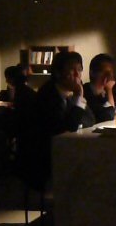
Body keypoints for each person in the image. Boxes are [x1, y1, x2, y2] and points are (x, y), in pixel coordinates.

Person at [34, 51, 95, 185]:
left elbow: (91, 120)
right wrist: (79, 98)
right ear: (58, 73)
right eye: (72, 70)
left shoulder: (69, 93)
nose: (77, 74)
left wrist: (77, 100)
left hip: (65, 148)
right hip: (45, 156)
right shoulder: (48, 93)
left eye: (79, 69)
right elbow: (68, 127)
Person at [83, 53, 116, 123]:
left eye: (110, 72)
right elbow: (106, 116)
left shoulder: (105, 91)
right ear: (92, 73)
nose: (108, 76)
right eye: (104, 72)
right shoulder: (84, 91)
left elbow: (113, 112)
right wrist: (109, 90)